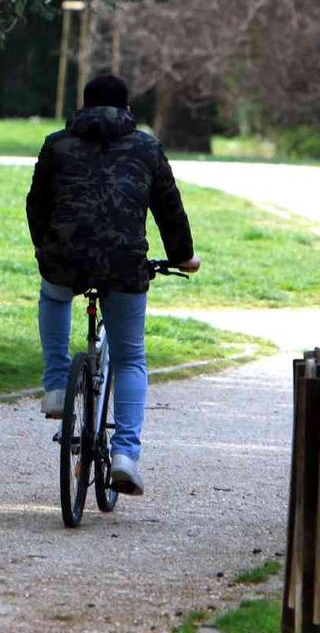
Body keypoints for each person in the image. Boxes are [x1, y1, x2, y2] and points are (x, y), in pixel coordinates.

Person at [25, 75, 200, 496]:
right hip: (124, 264)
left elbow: (37, 203)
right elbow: (168, 208)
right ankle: (124, 455)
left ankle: (54, 384)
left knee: (53, 293)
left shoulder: (57, 144)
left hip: (64, 258)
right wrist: (182, 257)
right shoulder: (146, 147)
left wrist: (45, 247)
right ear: (127, 109)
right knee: (131, 357)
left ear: (83, 105)